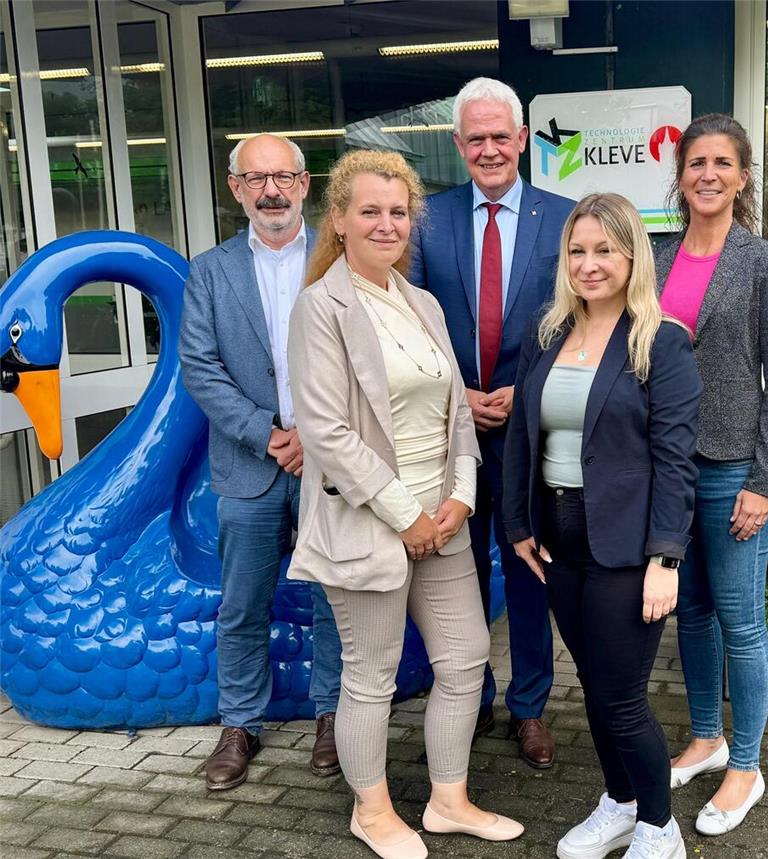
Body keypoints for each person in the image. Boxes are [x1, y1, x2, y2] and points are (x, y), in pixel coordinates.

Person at [286, 150, 523, 859]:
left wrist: (460, 497)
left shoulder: (423, 304)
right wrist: (407, 515)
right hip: (368, 520)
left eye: (398, 212)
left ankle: (448, 801)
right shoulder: (319, 307)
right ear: (339, 219)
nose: (386, 224)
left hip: (440, 517)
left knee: (466, 658)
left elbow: (456, 412)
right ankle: (373, 811)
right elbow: (326, 432)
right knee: (371, 676)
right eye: (370, 211)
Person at [503, 193, 702, 859]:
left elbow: (675, 461)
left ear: (632, 256)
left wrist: (665, 558)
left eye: (604, 251)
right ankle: (619, 802)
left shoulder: (661, 341)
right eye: (577, 251)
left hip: (627, 548)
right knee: (592, 684)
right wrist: (519, 522)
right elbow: (522, 435)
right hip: (560, 540)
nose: (589, 265)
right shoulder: (548, 334)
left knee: (621, 698)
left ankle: (659, 827)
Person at [407, 76, 575, 768]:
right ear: (458, 144)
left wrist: (523, 389)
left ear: (522, 139)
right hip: (450, 431)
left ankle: (529, 706)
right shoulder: (428, 219)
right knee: (458, 573)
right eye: (475, 138)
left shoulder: (565, 218)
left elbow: (579, 321)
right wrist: (458, 395)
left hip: (530, 430)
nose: (489, 149)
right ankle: (468, 697)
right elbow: (409, 321)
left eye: (500, 136)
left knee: (530, 571)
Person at [179, 133, 342, 791]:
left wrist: (315, 436)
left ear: (304, 184)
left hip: (329, 465)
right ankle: (240, 723)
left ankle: (333, 716)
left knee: (334, 598)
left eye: (282, 177)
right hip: (249, 466)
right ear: (235, 188)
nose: (271, 191)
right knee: (243, 605)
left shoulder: (339, 259)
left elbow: (362, 359)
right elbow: (199, 365)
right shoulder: (210, 271)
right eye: (256, 179)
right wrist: (267, 433)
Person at [653, 114, 768, 836]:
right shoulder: (655, 258)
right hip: (669, 467)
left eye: (722, 163)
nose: (707, 174)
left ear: (743, 177)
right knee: (692, 612)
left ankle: (746, 764)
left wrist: (764, 481)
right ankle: (707, 737)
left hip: (734, 465)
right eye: (695, 162)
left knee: (741, 621)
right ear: (680, 176)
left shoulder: (763, 262)